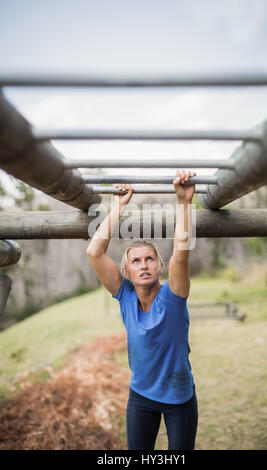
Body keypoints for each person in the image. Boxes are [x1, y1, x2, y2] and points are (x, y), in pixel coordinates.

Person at [86, 170, 198, 450]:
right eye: (136, 261)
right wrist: (117, 208)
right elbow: (94, 253)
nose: (144, 264)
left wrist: (183, 203)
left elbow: (181, 253)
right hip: (141, 397)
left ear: (159, 266)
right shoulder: (124, 294)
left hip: (179, 397)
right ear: (127, 271)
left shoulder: (173, 297)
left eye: (150, 258)